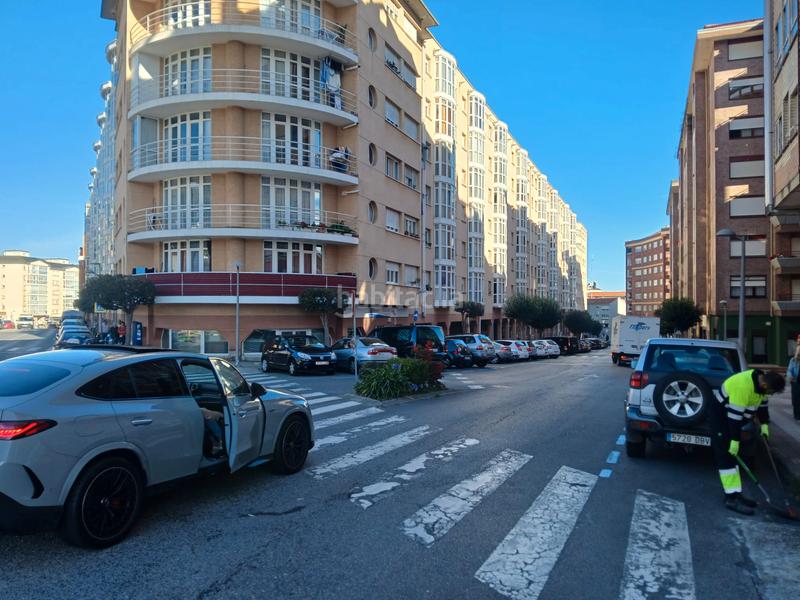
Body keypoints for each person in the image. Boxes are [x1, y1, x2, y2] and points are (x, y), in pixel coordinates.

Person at [711, 368, 785, 515]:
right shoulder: (743, 386)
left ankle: (735, 493)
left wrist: (764, 425)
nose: (771, 394)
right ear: (765, 385)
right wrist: (734, 441)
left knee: (733, 458)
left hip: (735, 419)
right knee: (726, 458)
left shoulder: (762, 384)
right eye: (772, 392)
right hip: (722, 419)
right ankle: (730, 499)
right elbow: (734, 419)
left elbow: (762, 406)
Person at [788, 346, 800, 420]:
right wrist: (790, 376)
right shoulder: (793, 360)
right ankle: (797, 414)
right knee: (796, 399)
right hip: (795, 381)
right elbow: (789, 370)